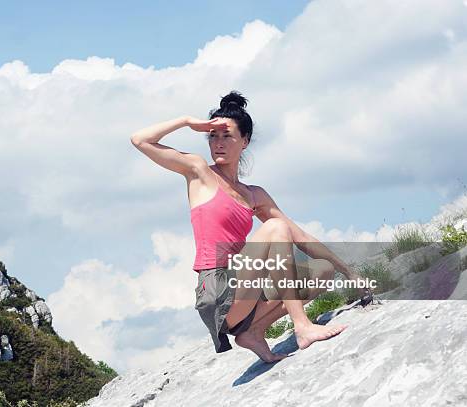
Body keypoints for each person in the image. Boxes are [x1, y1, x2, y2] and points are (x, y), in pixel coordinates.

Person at [130, 91, 368, 362]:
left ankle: (254, 331)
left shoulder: (255, 195)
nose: (218, 143)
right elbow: (140, 140)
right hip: (216, 290)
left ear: (245, 141)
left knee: (322, 271)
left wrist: (349, 272)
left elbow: (301, 237)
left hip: (246, 295)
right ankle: (302, 327)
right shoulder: (199, 172)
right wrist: (186, 121)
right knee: (276, 228)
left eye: (226, 136)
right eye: (213, 136)